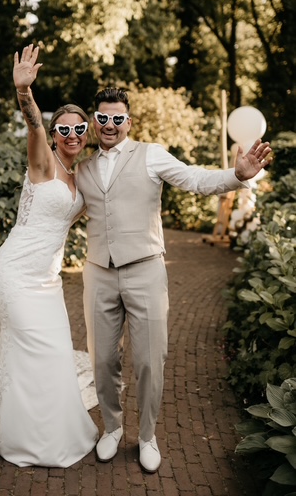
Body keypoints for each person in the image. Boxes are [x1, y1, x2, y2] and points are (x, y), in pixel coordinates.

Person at [76, 87, 272, 473]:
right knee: (102, 359)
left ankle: (147, 436)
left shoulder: (151, 154)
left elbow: (195, 179)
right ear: (95, 121)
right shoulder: (82, 168)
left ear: (129, 122)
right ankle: (112, 428)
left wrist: (237, 175)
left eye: (118, 118)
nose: (110, 125)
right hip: (98, 271)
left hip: (146, 269)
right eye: (103, 118)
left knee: (151, 359)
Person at [0, 44, 98, 467]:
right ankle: (27, 435)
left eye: (78, 128)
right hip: (14, 272)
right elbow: (33, 127)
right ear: (55, 133)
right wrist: (25, 93)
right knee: (33, 347)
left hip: (48, 280)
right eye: (63, 129)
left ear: (87, 133)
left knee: (56, 350)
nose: (71, 135)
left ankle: (34, 420)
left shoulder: (83, 178)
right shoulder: (43, 160)